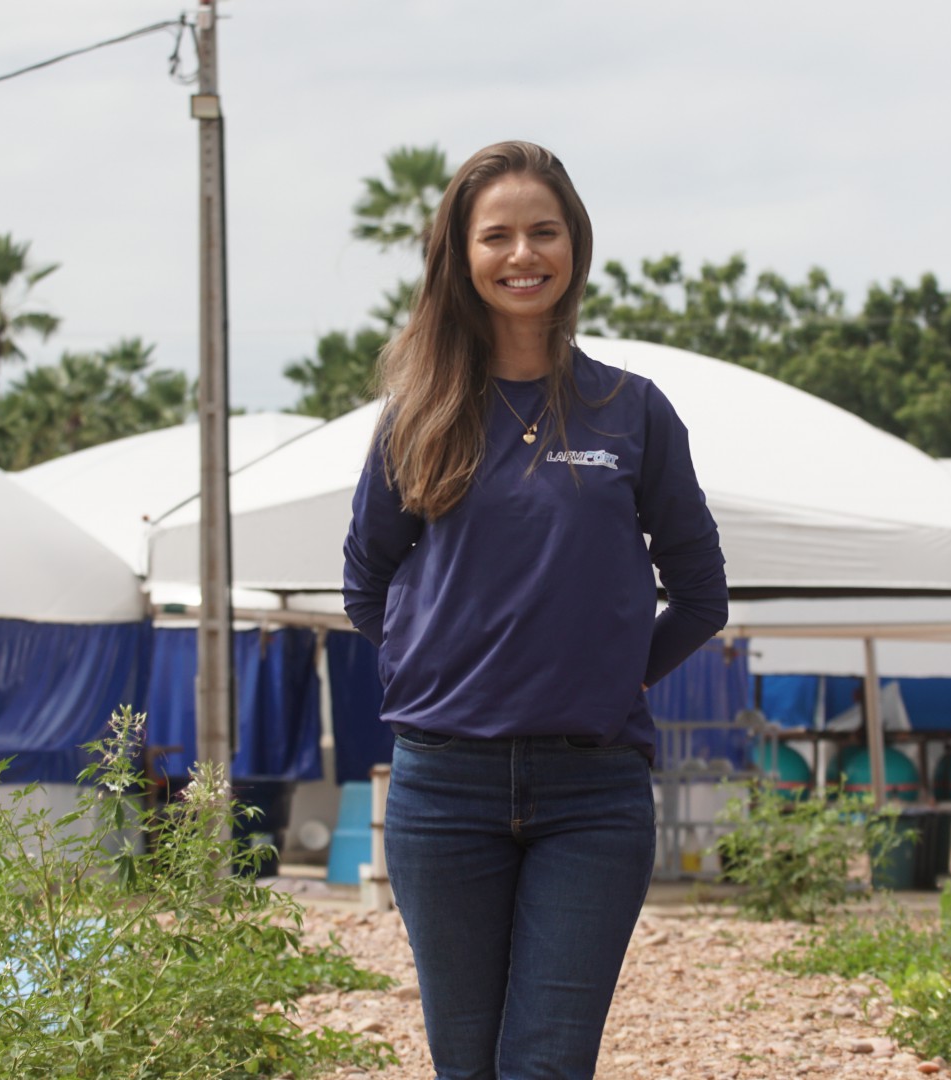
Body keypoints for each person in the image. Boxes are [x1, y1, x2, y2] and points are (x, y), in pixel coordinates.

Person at [342, 140, 728, 1079]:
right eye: (498, 235)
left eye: (543, 232)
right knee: (465, 1064)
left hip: (592, 795)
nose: (524, 254)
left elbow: (702, 593)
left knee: (547, 1063)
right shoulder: (418, 413)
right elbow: (365, 586)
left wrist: (614, 669)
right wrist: (443, 668)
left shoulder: (629, 411)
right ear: (463, 257)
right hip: (442, 791)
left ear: (575, 246)